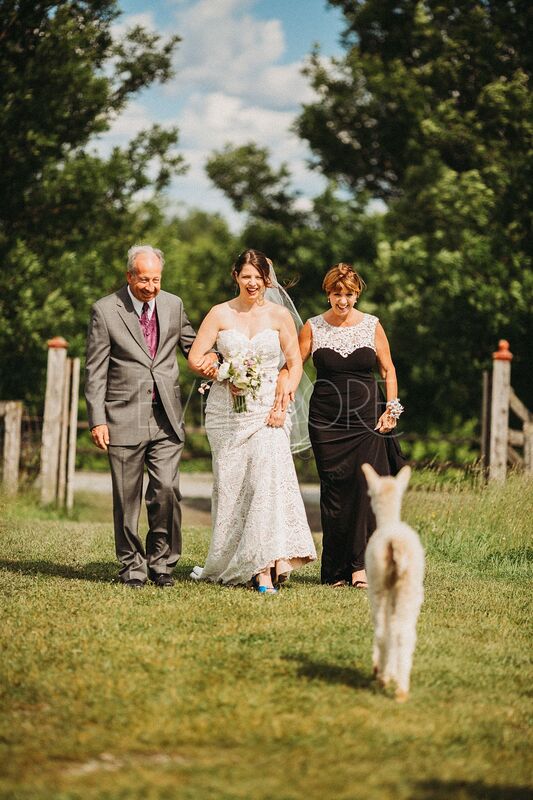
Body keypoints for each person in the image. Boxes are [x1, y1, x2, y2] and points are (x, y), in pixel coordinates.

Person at [85, 244, 218, 588]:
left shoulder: (173, 305)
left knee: (167, 491)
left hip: (167, 417)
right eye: (143, 279)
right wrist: (97, 418)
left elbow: (193, 345)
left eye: (156, 279)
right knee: (127, 498)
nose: (150, 286)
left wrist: (221, 361)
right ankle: (132, 567)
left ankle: (162, 563)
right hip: (123, 415)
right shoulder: (105, 310)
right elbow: (95, 371)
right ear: (129, 276)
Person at [188, 249, 316, 593]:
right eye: (247, 276)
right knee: (234, 488)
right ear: (236, 277)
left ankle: (263, 568)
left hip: (268, 411)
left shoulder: (279, 316)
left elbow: (294, 363)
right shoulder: (219, 313)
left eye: (259, 278)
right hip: (226, 414)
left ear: (267, 280)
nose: (253, 283)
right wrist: (220, 368)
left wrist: (284, 395)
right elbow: (195, 357)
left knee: (267, 479)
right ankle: (240, 558)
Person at [298, 263, 405, 589]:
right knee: (334, 490)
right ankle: (335, 571)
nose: (342, 301)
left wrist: (392, 410)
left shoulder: (372, 325)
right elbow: (291, 366)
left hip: (367, 419)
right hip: (327, 421)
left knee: (364, 488)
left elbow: (388, 370)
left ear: (357, 294)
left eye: (348, 294)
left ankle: (360, 568)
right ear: (327, 294)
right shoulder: (313, 326)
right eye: (336, 294)